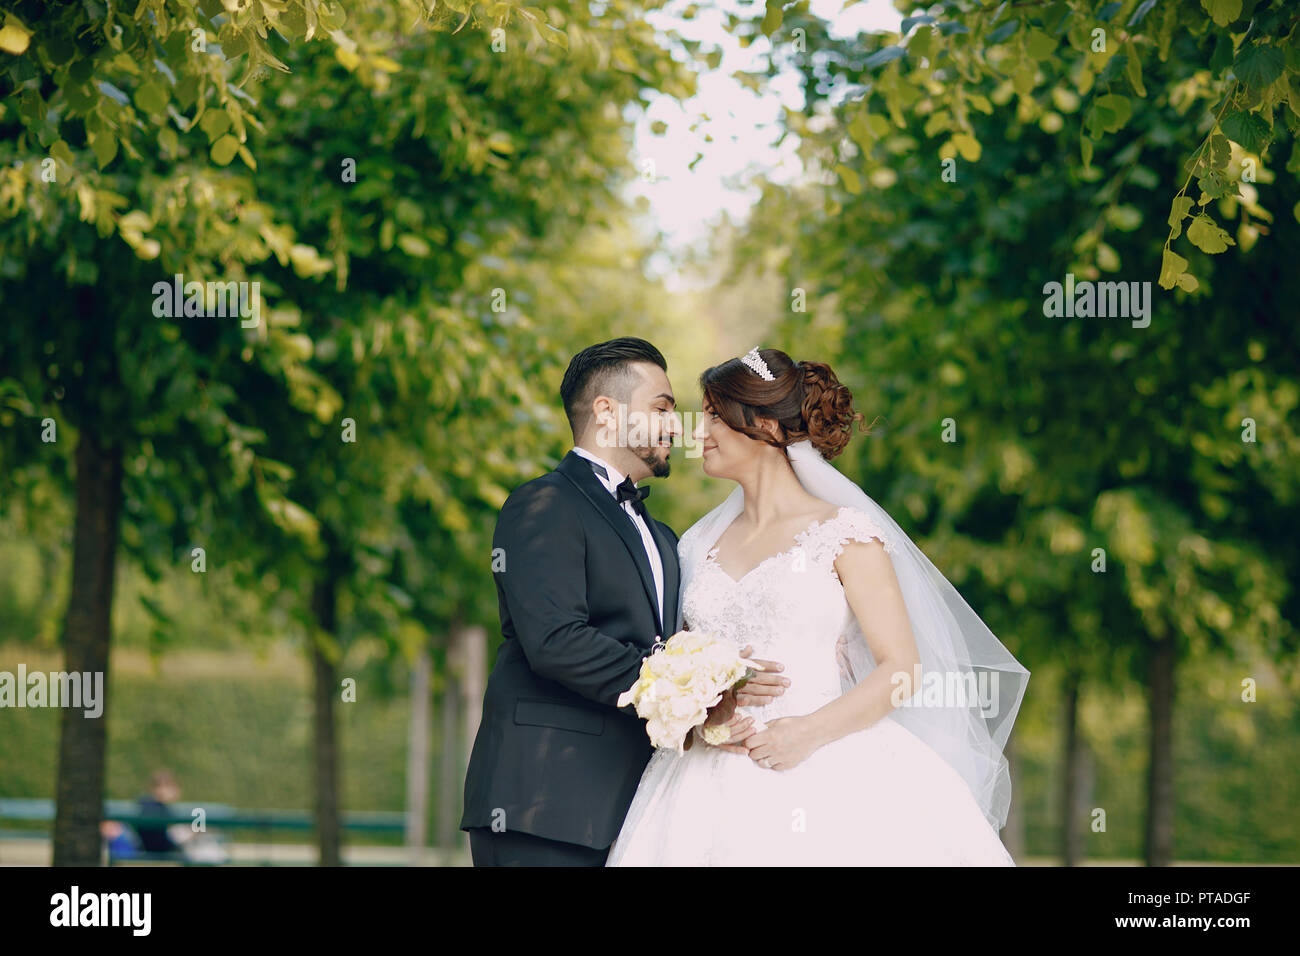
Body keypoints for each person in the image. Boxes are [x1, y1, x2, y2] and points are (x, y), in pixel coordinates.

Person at [606, 347, 1031, 866]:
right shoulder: (695, 547)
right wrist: (709, 721)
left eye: (716, 415)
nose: (698, 431)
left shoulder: (846, 534)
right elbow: (692, 663)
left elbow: (901, 669)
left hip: (832, 762)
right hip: (705, 780)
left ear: (765, 424)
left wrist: (806, 733)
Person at [459, 337, 791, 866]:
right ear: (607, 412)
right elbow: (555, 640)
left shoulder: (664, 538)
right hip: (544, 807)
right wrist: (696, 691)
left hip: (639, 810)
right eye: (662, 407)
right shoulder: (542, 504)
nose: (677, 426)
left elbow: (669, 641)